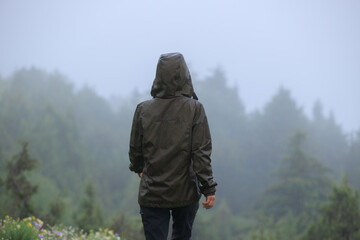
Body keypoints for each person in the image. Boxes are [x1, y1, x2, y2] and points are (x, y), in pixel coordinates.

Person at [129, 52, 217, 240]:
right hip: (185, 192)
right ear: (186, 76)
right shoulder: (195, 109)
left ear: (158, 76)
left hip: (152, 192)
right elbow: (201, 153)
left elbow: (136, 149)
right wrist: (208, 187)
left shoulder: (143, 109)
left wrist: (138, 167)